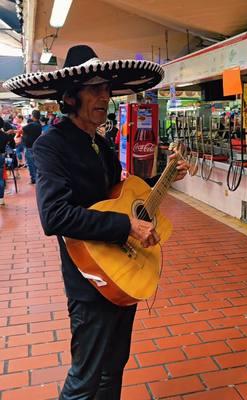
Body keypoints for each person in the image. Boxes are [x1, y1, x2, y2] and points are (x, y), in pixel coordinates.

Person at [3, 44, 189, 400]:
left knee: (114, 364)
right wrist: (127, 227)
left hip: (122, 268)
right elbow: (54, 215)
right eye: (95, 89)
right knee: (85, 378)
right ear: (71, 96)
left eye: (107, 89)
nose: (105, 96)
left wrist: (165, 179)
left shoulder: (99, 144)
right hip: (89, 278)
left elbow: (118, 196)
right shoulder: (51, 145)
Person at [22, 109, 42, 183]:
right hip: (35, 146)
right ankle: (36, 178)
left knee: (31, 164)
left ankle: (34, 179)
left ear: (33, 116)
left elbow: (23, 128)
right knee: (36, 164)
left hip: (30, 147)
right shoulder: (38, 124)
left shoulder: (33, 124)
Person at [0, 117, 15, 205]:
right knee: (0, 178)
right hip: (1, 156)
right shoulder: (4, 135)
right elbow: (11, 144)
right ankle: (1, 199)